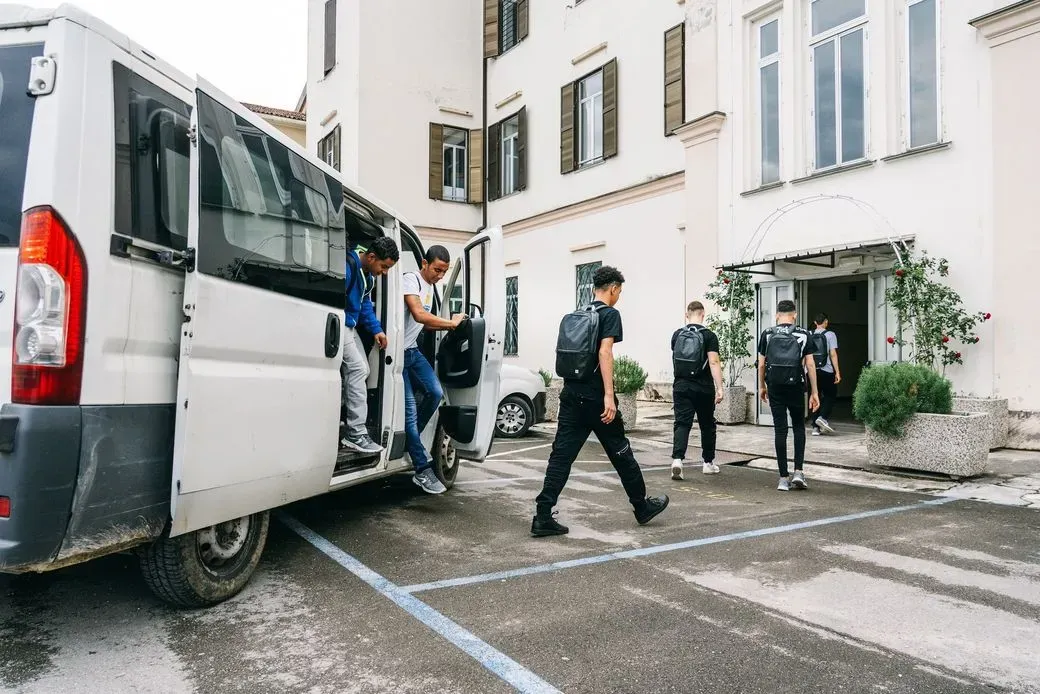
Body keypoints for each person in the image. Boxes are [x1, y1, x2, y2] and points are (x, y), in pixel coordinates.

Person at [532, 266, 669, 536]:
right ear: (614, 288)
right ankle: (641, 506)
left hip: (571, 394)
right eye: (620, 291)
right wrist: (609, 396)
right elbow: (605, 353)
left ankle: (542, 516)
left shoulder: (576, 315)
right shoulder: (609, 314)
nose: (619, 296)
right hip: (596, 398)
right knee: (621, 451)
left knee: (561, 456)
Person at [402, 245, 466, 495]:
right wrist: (450, 324)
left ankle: (412, 441)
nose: (440, 276)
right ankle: (421, 469)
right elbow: (419, 315)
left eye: (444, 272)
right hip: (397, 354)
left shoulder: (430, 287)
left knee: (435, 392)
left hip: (412, 352)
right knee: (409, 413)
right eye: (437, 270)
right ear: (424, 263)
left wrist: (452, 324)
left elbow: (426, 325)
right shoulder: (411, 280)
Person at [341, 236, 399, 454]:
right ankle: (355, 433)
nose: (385, 272)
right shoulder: (349, 267)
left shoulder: (367, 276)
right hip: (340, 323)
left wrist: (377, 330)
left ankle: (344, 419)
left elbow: (364, 303)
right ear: (372, 257)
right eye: (384, 267)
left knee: (363, 370)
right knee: (357, 369)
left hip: (350, 325)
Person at [758, 299, 820, 491]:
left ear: (777, 315)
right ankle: (798, 472)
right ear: (795, 315)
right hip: (796, 386)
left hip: (775, 386)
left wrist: (762, 386)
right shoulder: (803, 334)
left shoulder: (768, 334)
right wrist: (814, 392)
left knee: (780, 430)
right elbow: (810, 365)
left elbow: (761, 364)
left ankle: (783, 478)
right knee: (799, 427)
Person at [669, 301, 725, 480]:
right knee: (707, 425)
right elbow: (714, 362)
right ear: (703, 314)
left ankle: (677, 460)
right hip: (703, 387)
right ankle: (708, 463)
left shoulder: (677, 334)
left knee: (682, 423)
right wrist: (720, 387)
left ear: (687, 315)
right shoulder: (709, 336)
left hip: (681, 385)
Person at [809, 312, 841, 436]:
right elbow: (833, 354)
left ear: (815, 323)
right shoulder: (830, 335)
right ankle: (822, 417)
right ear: (826, 321)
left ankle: (815, 428)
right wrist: (837, 372)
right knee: (830, 395)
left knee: (814, 395)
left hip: (812, 371)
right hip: (826, 370)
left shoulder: (809, 334)